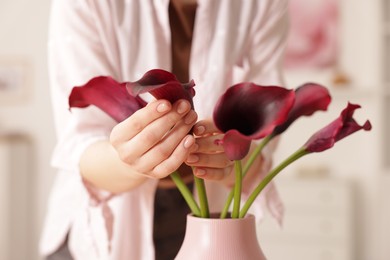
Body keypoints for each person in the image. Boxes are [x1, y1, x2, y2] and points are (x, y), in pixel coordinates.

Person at [40, 0, 289, 259]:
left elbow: (260, 145)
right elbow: (82, 146)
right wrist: (135, 158)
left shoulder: (262, 5)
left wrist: (230, 156)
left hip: (205, 219)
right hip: (102, 229)